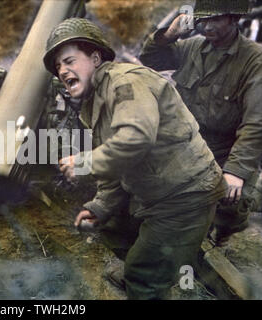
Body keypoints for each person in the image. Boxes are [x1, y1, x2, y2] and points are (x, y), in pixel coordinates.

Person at [43, 17, 227, 300]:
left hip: (186, 195)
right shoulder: (96, 100)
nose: (63, 71)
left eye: (69, 60)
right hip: (160, 192)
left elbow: (135, 139)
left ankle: (153, 271)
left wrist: (84, 163)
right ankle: (164, 259)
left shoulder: (124, 83)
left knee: (142, 276)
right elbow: (119, 166)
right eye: (58, 67)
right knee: (112, 226)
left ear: (95, 57)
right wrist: (101, 207)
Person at [140, 0, 262, 245]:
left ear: (233, 18)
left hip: (226, 152)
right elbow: (151, 58)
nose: (206, 26)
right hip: (187, 145)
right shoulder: (194, 47)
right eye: (203, 19)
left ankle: (226, 231)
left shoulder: (254, 60)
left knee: (230, 206)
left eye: (215, 19)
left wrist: (235, 172)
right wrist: (168, 35)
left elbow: (256, 123)